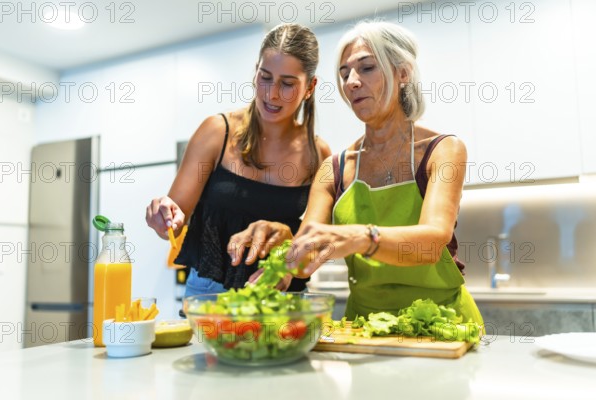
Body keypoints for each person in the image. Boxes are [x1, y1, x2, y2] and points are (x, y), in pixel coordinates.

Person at [228, 20, 483, 325]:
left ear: (403, 73)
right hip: (364, 328)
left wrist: (362, 237)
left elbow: (430, 244)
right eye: (345, 73)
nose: (351, 82)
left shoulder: (443, 150)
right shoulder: (334, 168)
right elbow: (307, 251)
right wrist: (284, 249)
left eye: (366, 68)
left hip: (441, 322)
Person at [146, 23, 331, 297]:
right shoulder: (217, 131)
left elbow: (316, 242)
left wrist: (286, 269)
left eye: (288, 84)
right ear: (256, 70)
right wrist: (163, 216)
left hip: (282, 292)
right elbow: (172, 223)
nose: (272, 93)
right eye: (265, 77)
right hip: (210, 291)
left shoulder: (318, 154)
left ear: (310, 87)